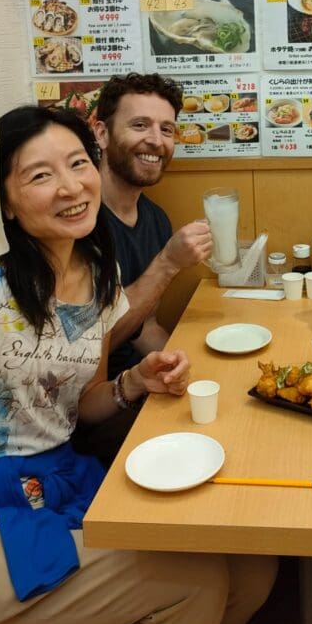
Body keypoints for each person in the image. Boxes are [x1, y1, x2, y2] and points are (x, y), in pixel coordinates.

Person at [0, 105, 275, 624]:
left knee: (252, 566)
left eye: (79, 163)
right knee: (193, 578)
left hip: (53, 493)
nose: (71, 186)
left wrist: (134, 383)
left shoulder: (99, 275)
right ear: (1, 197)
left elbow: (83, 403)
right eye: (39, 175)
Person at [72, 72, 213, 465]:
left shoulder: (154, 218)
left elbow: (144, 329)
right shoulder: (77, 223)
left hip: (144, 383)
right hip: (91, 410)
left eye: (166, 129)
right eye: (139, 125)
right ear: (100, 133)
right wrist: (167, 264)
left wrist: (195, 370)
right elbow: (91, 346)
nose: (156, 140)